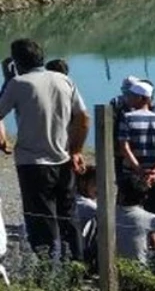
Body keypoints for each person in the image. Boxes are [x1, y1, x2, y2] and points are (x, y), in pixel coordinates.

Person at [0, 39, 89, 260]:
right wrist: (76, 149)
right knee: (68, 215)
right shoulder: (64, 80)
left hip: (32, 162)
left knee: (41, 219)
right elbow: (83, 117)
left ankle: (48, 269)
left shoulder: (19, 83)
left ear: (17, 61)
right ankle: (76, 265)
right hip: (63, 158)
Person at [117, 80, 155, 221]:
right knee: (152, 213)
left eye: (132, 95)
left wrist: (138, 169)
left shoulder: (127, 118)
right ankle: (153, 240)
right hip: (154, 177)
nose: (128, 98)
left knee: (127, 210)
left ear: (142, 98)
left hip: (131, 174)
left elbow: (124, 147)